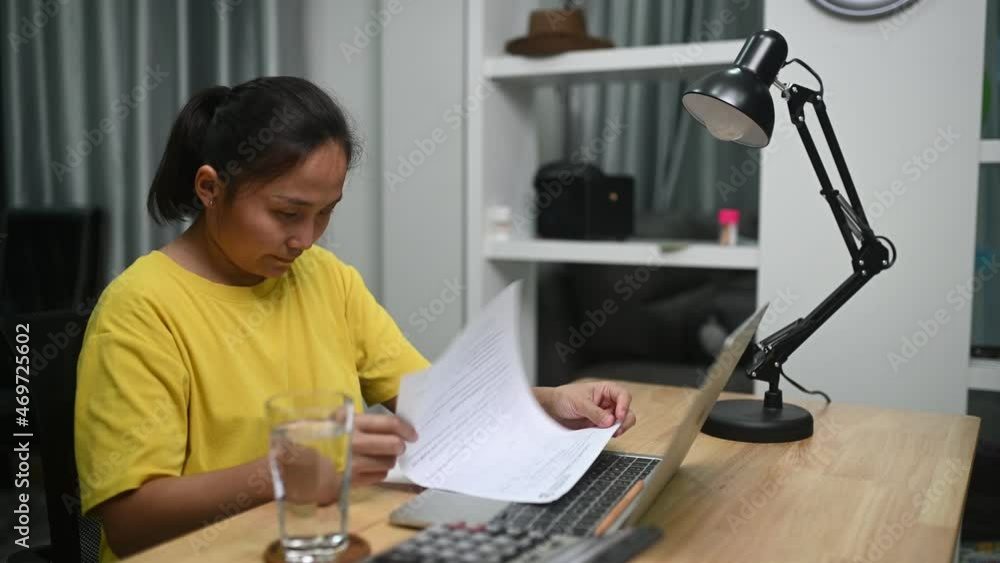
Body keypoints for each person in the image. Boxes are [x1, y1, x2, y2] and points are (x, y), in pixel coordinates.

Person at [74, 76, 637, 561]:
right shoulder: (140, 311)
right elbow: (130, 520)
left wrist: (550, 402)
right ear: (210, 188)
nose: (304, 239)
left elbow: (432, 403)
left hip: (324, 541)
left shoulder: (325, 278)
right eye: (287, 213)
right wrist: (288, 471)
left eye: (325, 214)